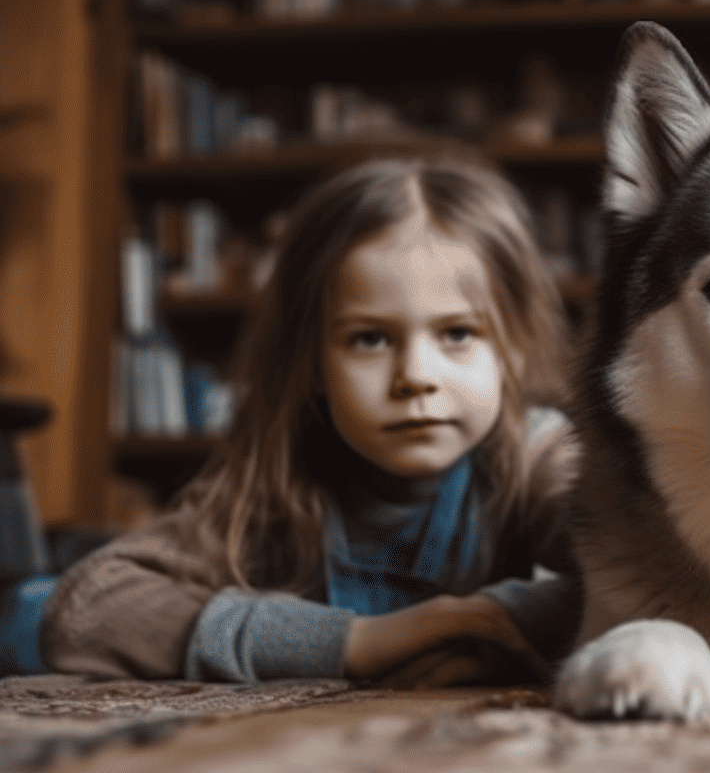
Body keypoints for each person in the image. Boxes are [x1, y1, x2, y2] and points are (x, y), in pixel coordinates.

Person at [21, 151, 581, 686]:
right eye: (369, 339)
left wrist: (485, 623)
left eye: (458, 333)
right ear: (311, 360)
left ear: (515, 348)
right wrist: (356, 643)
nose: (416, 376)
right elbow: (82, 609)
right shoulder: (280, 476)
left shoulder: (538, 456)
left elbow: (659, 572)